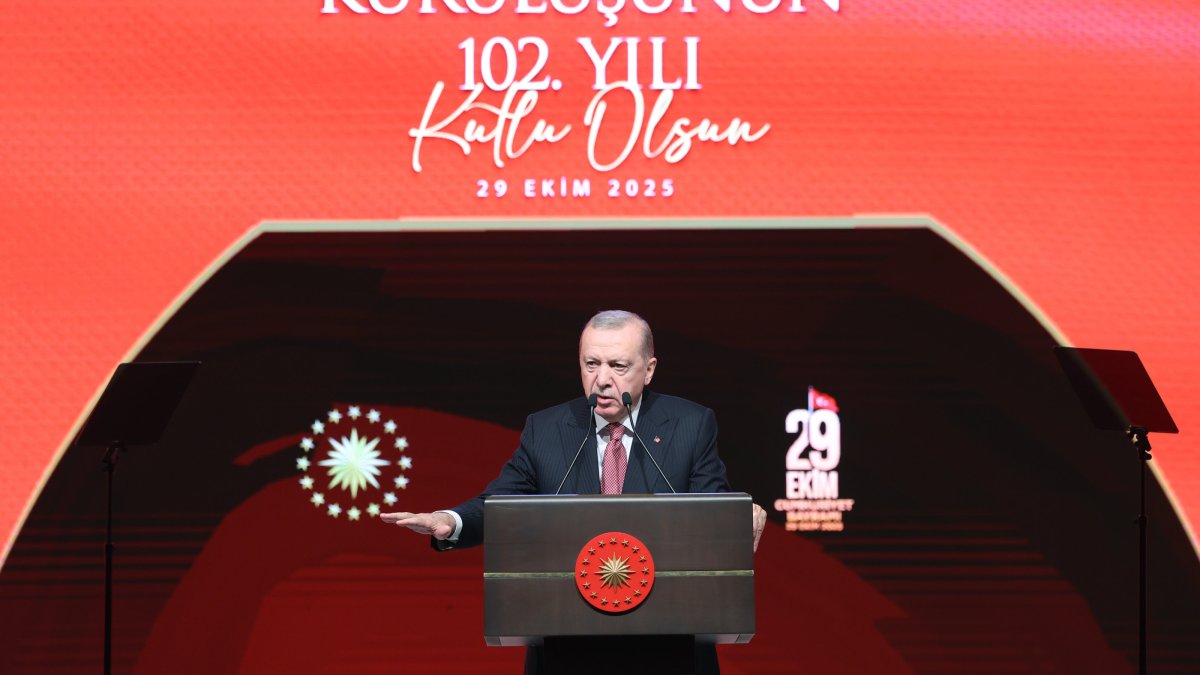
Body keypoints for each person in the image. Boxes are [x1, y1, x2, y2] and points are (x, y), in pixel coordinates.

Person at [382, 310, 766, 673]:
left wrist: (737, 520)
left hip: (668, 651)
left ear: (648, 370)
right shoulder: (547, 429)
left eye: (618, 366)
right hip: (567, 651)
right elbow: (501, 503)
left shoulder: (690, 425)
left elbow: (712, 509)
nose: (601, 379)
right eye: (591, 364)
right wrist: (450, 521)